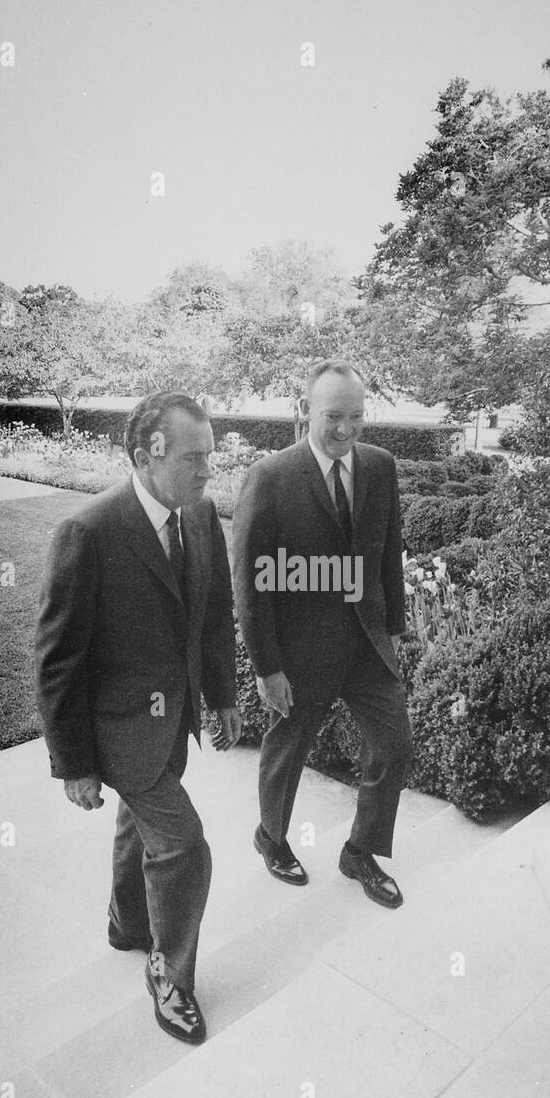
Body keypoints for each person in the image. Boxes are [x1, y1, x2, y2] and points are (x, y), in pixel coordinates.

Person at [35, 392, 241, 1045]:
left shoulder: (200, 516)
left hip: (172, 717)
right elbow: (58, 659)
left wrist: (223, 695)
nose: (207, 473)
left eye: (210, 457)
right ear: (146, 455)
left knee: (140, 824)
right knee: (182, 845)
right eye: (192, 459)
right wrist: (75, 765)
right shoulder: (88, 532)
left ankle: (127, 925)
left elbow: (211, 615)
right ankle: (169, 976)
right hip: (117, 727)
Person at [233, 358, 412, 908]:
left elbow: (387, 554)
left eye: (356, 416)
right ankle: (272, 837)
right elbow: (250, 583)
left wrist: (396, 629)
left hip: (365, 646)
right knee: (287, 753)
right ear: (306, 410)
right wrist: (267, 668)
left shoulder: (380, 467)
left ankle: (360, 851)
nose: (346, 428)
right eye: (334, 415)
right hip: (299, 654)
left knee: (395, 745)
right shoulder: (270, 477)